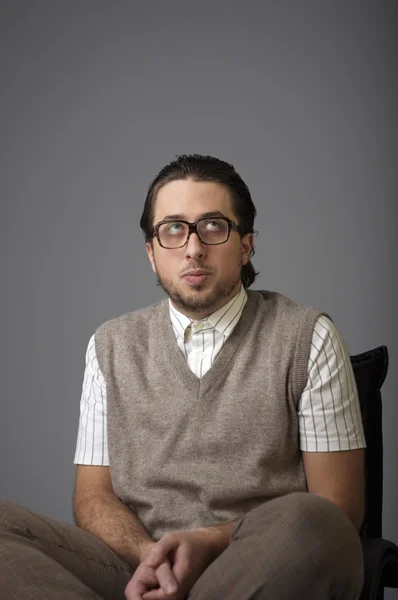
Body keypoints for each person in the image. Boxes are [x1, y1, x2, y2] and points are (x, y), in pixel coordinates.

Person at [0, 154, 366, 600]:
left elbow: (340, 511)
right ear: (152, 253)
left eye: (213, 226)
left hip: (252, 568)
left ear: (246, 245)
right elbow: (92, 497)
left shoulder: (307, 337)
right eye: (173, 229)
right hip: (132, 568)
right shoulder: (110, 345)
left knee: (316, 522)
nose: (193, 247)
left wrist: (207, 542)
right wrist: (151, 556)